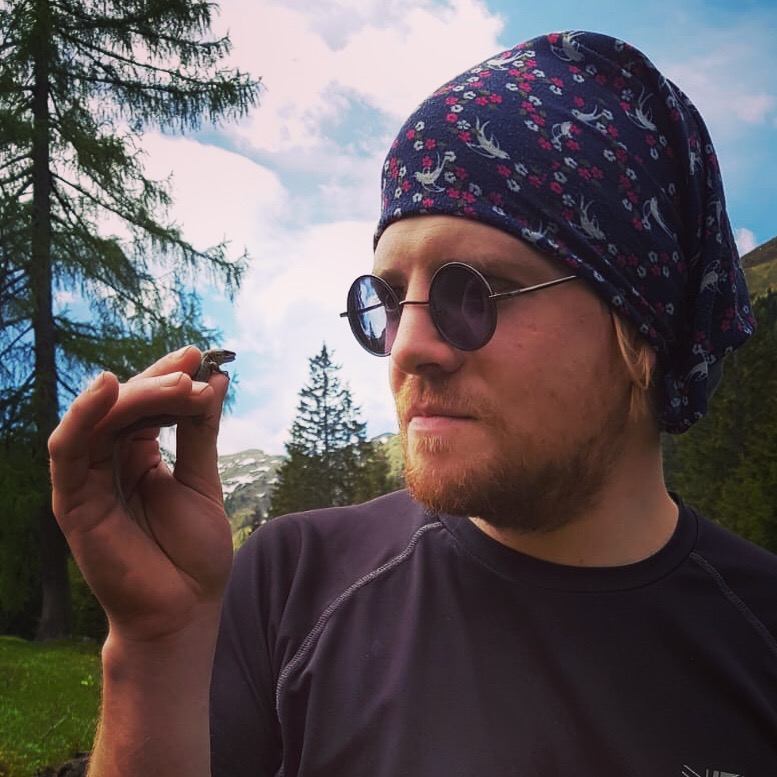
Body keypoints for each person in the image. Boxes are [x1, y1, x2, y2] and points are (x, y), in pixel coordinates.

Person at [49, 31, 777, 776]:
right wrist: (155, 646)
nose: (407, 347)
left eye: (476, 292)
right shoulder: (287, 585)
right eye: (390, 299)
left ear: (639, 330)